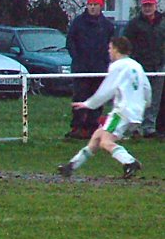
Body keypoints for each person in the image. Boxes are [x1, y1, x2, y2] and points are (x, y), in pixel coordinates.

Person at [58, 37, 151, 179]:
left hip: (122, 111)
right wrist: (145, 104)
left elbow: (107, 89)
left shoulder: (117, 66)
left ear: (116, 49)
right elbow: (146, 88)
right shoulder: (136, 65)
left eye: (110, 48)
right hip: (135, 110)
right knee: (97, 137)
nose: (109, 51)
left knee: (105, 141)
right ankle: (71, 166)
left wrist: (89, 104)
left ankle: (130, 162)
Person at [65, 0, 115, 139]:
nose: (92, 7)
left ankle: (92, 126)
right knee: (80, 97)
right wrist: (77, 58)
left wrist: (106, 62)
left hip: (99, 69)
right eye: (90, 4)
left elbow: (110, 45)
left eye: (95, 4)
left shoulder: (107, 25)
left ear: (101, 6)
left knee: (97, 98)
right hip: (81, 68)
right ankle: (77, 127)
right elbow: (70, 42)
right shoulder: (78, 22)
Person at [123, 0, 165, 138]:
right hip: (140, 67)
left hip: (158, 66)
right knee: (139, 98)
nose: (147, 8)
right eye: (145, 5)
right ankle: (136, 127)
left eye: (150, 5)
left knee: (155, 99)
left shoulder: (162, 23)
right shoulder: (134, 24)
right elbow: (125, 43)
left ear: (155, 6)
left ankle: (150, 127)